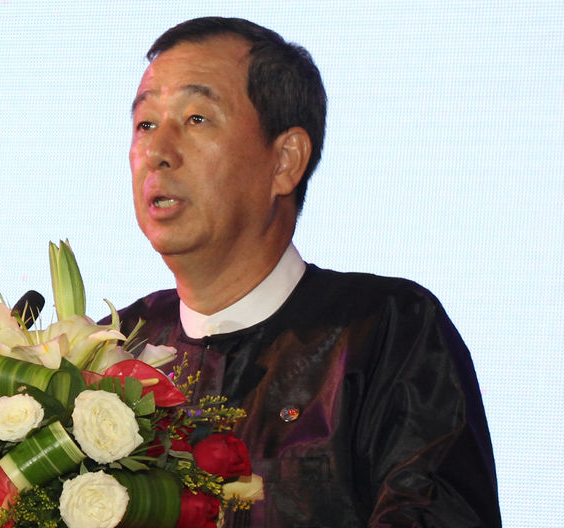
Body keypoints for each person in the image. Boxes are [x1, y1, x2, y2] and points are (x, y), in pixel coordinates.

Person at [117, 16, 501, 527]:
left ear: (285, 161)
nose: (157, 153)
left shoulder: (386, 332)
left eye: (196, 119)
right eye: (145, 124)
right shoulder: (112, 349)